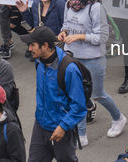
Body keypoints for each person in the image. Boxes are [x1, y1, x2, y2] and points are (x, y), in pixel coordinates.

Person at [57, 0, 127, 145]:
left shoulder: (95, 8)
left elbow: (102, 37)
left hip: (92, 59)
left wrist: (80, 37)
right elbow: (66, 24)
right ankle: (81, 134)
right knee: (77, 96)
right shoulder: (68, 4)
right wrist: (63, 32)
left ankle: (118, 118)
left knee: (97, 95)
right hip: (71, 58)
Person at [22, 26, 87, 162]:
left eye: (32, 45)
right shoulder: (39, 62)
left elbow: (79, 107)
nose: (29, 49)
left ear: (45, 46)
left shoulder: (69, 69)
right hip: (40, 126)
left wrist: (63, 126)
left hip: (61, 131)